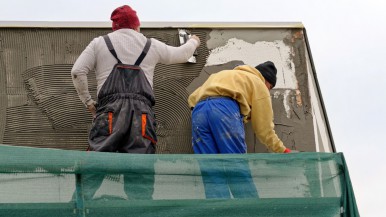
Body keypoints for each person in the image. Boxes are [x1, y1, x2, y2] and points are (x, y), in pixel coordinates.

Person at [70, 5, 200, 200]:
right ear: (137, 25)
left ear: (114, 26)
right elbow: (180, 54)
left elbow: (77, 71)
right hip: (142, 117)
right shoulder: (151, 45)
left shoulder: (99, 43)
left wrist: (89, 103)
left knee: (94, 168)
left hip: (109, 114)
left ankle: (77, 209)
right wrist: (194, 42)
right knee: (140, 173)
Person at [188, 61, 292, 198]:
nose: (268, 91)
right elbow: (264, 128)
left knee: (211, 171)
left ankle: (219, 212)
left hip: (198, 113)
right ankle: (248, 210)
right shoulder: (258, 83)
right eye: (270, 87)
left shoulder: (223, 74)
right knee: (235, 166)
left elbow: (194, 97)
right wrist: (281, 150)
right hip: (224, 110)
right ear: (266, 80)